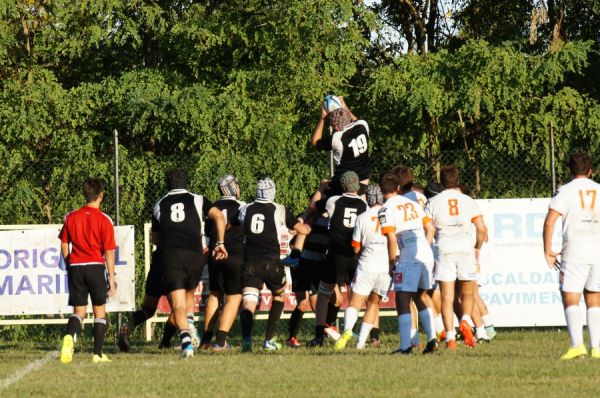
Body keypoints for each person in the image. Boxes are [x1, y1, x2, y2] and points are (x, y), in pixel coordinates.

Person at [152, 169, 227, 358]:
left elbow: (155, 239)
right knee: (189, 294)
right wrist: (220, 243)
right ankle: (191, 328)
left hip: (172, 256)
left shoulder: (159, 204)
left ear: (167, 185)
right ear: (186, 183)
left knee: (177, 304)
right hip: (195, 256)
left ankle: (186, 340)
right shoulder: (198, 199)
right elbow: (219, 216)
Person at [237, 178, 310, 352]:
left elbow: (232, 225)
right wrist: (301, 226)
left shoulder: (245, 208)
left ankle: (247, 339)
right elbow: (303, 230)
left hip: (250, 263)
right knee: (279, 296)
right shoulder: (279, 209)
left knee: (248, 303)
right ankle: (268, 340)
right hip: (272, 263)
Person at [543, 151, 600, 360]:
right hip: (597, 250)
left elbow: (550, 221)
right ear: (591, 171)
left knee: (571, 296)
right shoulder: (598, 190)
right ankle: (597, 348)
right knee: (594, 297)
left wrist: (547, 250)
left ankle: (577, 345)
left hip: (575, 249)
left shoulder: (565, 191)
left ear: (569, 171)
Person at [427, 166, 487, 349]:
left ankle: (450, 337)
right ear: (458, 180)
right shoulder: (468, 201)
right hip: (465, 248)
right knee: (468, 292)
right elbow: (482, 229)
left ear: (441, 181)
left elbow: (429, 228)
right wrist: (477, 246)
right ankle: (466, 320)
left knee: (447, 295)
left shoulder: (434, 202)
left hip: (444, 248)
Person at [378, 173, 438, 355]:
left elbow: (391, 237)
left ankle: (405, 347)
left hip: (408, 252)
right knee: (421, 296)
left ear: (381, 191)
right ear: (398, 188)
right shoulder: (412, 203)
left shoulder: (385, 209)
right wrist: (424, 249)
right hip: (425, 251)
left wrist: (391, 262)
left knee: (402, 298)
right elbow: (431, 228)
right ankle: (433, 339)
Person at [59, 177, 117, 364]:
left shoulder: (71, 216)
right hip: (95, 266)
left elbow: (64, 244)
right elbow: (108, 251)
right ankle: (98, 354)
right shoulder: (104, 219)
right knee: (99, 311)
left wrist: (69, 263)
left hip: (76, 267)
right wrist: (112, 277)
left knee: (79, 311)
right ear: (101, 195)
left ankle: (69, 337)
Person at [309, 171, 368, 346]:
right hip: (354, 253)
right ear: (356, 186)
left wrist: (321, 188)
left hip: (335, 253)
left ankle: (319, 334)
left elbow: (313, 206)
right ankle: (358, 332)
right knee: (357, 295)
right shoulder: (364, 204)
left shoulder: (333, 201)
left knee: (324, 294)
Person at [335, 184, 390, 350]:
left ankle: (348, 330)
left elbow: (356, 247)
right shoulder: (391, 215)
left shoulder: (362, 217)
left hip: (367, 263)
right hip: (384, 266)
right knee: (373, 304)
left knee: (355, 303)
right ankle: (360, 344)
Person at [203, 174, 246, 350]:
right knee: (234, 297)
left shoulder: (211, 207)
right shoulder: (242, 206)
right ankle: (220, 341)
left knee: (215, 294)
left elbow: (206, 233)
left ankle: (206, 340)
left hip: (215, 255)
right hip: (235, 255)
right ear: (233, 187)